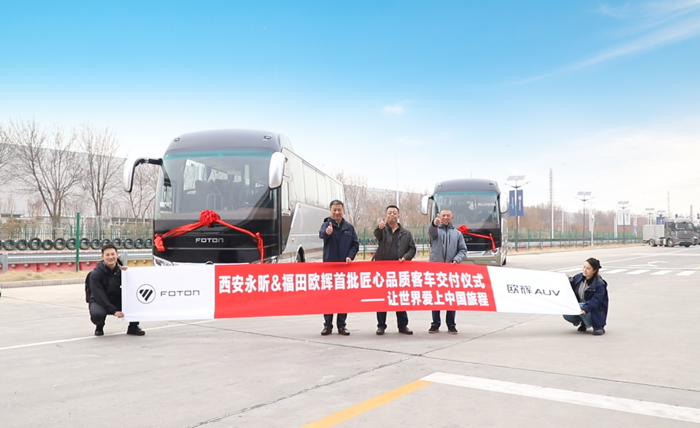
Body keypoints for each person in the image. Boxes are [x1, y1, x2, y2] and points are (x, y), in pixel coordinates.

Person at [373, 205, 417, 335]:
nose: (392, 215)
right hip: (383, 271)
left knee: (400, 298)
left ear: (398, 216)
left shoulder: (406, 233)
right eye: (389, 213)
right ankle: (381, 325)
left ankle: (402, 325)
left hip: (399, 270)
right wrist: (379, 228)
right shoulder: (382, 230)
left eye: (394, 213)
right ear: (386, 215)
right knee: (382, 298)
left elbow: (412, 249)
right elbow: (377, 235)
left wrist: (406, 257)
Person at [319, 200, 360, 336]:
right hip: (329, 269)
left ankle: (342, 325)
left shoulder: (349, 227)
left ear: (343, 211)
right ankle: (327, 325)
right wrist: (327, 232)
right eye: (334, 210)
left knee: (343, 297)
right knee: (328, 297)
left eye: (339, 210)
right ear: (330, 211)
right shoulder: (326, 224)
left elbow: (355, 244)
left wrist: (350, 256)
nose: (337, 212)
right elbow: (321, 234)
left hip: (344, 268)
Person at [88, 244, 145, 336]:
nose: (110, 257)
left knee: (137, 302)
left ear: (117, 255)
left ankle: (133, 327)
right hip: (99, 301)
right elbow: (99, 294)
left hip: (117, 298)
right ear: (102, 257)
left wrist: (129, 274)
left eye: (113, 254)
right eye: (107, 255)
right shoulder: (95, 274)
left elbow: (135, 286)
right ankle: (99, 326)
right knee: (97, 314)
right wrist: (113, 310)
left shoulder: (123, 270)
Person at [428, 209, 467, 334]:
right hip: (436, 270)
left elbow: (463, 250)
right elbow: (431, 230)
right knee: (436, 298)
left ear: (452, 217)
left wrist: (456, 260)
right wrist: (434, 223)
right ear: (439, 216)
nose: (445, 217)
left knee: (451, 298)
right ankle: (435, 324)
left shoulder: (457, 234)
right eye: (443, 215)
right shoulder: (435, 232)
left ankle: (451, 324)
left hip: (451, 270)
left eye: (448, 216)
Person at [563, 257, 609, 335]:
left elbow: (596, 301)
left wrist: (586, 308)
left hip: (594, 311)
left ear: (594, 271)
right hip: (582, 308)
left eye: (588, 268)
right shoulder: (579, 277)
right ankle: (583, 322)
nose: (585, 270)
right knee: (566, 312)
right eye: (584, 267)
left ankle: (598, 327)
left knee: (581, 306)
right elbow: (570, 287)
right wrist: (567, 280)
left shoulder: (599, 284)